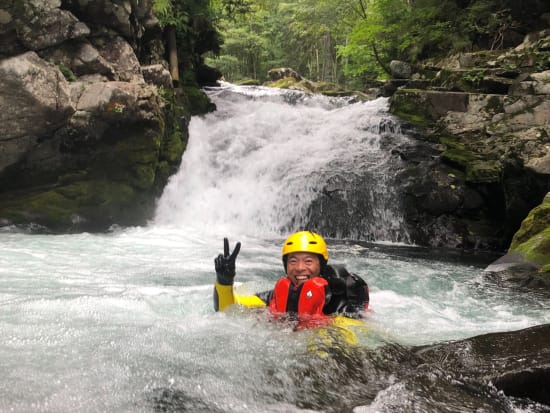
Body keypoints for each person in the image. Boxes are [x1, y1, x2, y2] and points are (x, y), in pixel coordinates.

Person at [213, 230, 369, 329]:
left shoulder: (338, 299)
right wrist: (224, 281)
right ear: (285, 266)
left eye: (308, 261)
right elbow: (228, 310)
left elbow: (354, 335)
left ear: (321, 265)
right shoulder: (276, 295)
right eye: (293, 261)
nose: (300, 267)